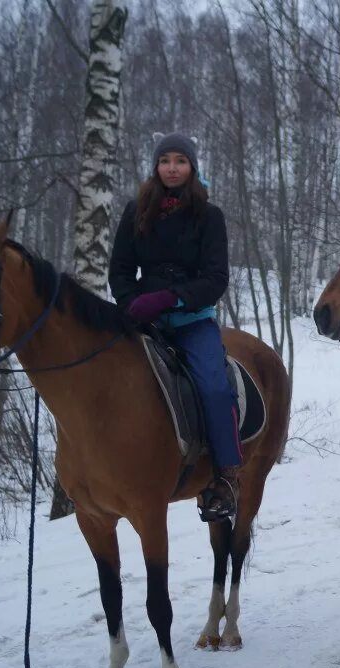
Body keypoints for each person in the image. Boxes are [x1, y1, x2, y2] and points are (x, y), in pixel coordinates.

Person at [109, 133, 241, 522]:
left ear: (192, 167)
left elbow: (216, 278)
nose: (171, 167)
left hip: (191, 321)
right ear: (155, 166)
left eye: (179, 161)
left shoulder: (209, 216)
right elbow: (119, 269)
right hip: (142, 321)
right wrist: (130, 303)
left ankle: (226, 476)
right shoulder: (136, 211)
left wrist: (173, 298)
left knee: (215, 388)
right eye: (164, 160)